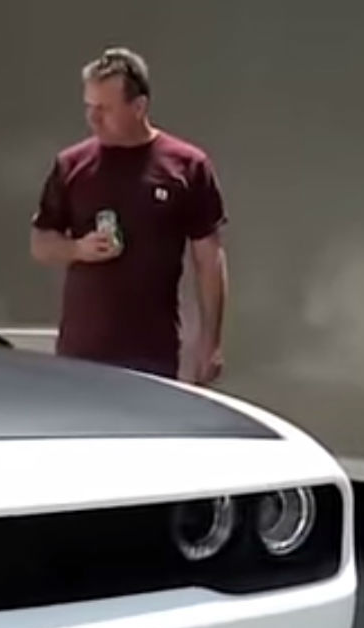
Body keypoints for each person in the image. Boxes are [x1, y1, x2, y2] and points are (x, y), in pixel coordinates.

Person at [29, 47, 229, 385]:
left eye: (105, 109)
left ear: (139, 107)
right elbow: (41, 243)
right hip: (81, 353)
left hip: (152, 351)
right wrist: (79, 249)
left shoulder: (186, 166)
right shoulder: (72, 166)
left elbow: (209, 259)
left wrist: (211, 342)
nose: (93, 119)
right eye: (89, 108)